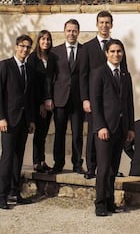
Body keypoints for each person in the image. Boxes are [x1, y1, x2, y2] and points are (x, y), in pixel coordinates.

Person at [80, 11, 128, 179]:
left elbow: (124, 71)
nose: (104, 25)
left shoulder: (117, 47)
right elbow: (83, 75)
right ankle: (91, 167)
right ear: (97, 24)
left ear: (111, 25)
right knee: (95, 133)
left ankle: (110, 168)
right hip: (94, 98)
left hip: (112, 98)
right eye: (101, 22)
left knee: (114, 135)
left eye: (107, 22)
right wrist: (85, 98)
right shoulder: (87, 47)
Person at [90, 40, 134, 216]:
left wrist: (131, 128)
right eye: (113, 51)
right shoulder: (98, 73)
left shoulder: (125, 75)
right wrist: (100, 126)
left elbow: (129, 103)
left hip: (121, 129)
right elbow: (95, 102)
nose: (116, 54)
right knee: (104, 167)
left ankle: (109, 201)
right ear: (106, 53)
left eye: (119, 51)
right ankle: (100, 203)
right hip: (104, 129)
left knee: (114, 169)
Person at [0, 35, 35, 208]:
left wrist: (30, 120)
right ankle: (1, 195)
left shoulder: (28, 69)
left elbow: (28, 98)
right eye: (22, 46)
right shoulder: (5, 66)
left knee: (18, 158)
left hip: (23, 121)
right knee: (6, 158)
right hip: (8, 120)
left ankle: (15, 191)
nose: (25, 50)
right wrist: (1, 117)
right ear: (16, 47)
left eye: (28, 47)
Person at [49, 19, 84, 175]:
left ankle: (77, 164)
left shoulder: (84, 51)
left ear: (78, 32)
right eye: (69, 30)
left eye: (74, 30)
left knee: (77, 134)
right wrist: (48, 98)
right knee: (60, 132)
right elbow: (50, 77)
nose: (71, 33)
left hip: (78, 99)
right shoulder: (55, 52)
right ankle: (58, 163)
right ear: (64, 32)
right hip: (60, 98)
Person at [27, 30, 57, 173]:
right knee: (38, 133)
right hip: (38, 102)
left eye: (48, 39)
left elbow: (52, 80)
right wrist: (41, 103)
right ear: (38, 41)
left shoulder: (52, 58)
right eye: (43, 39)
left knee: (44, 133)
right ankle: (36, 161)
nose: (46, 42)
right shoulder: (32, 58)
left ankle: (42, 160)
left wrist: (50, 99)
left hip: (50, 101)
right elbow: (33, 84)